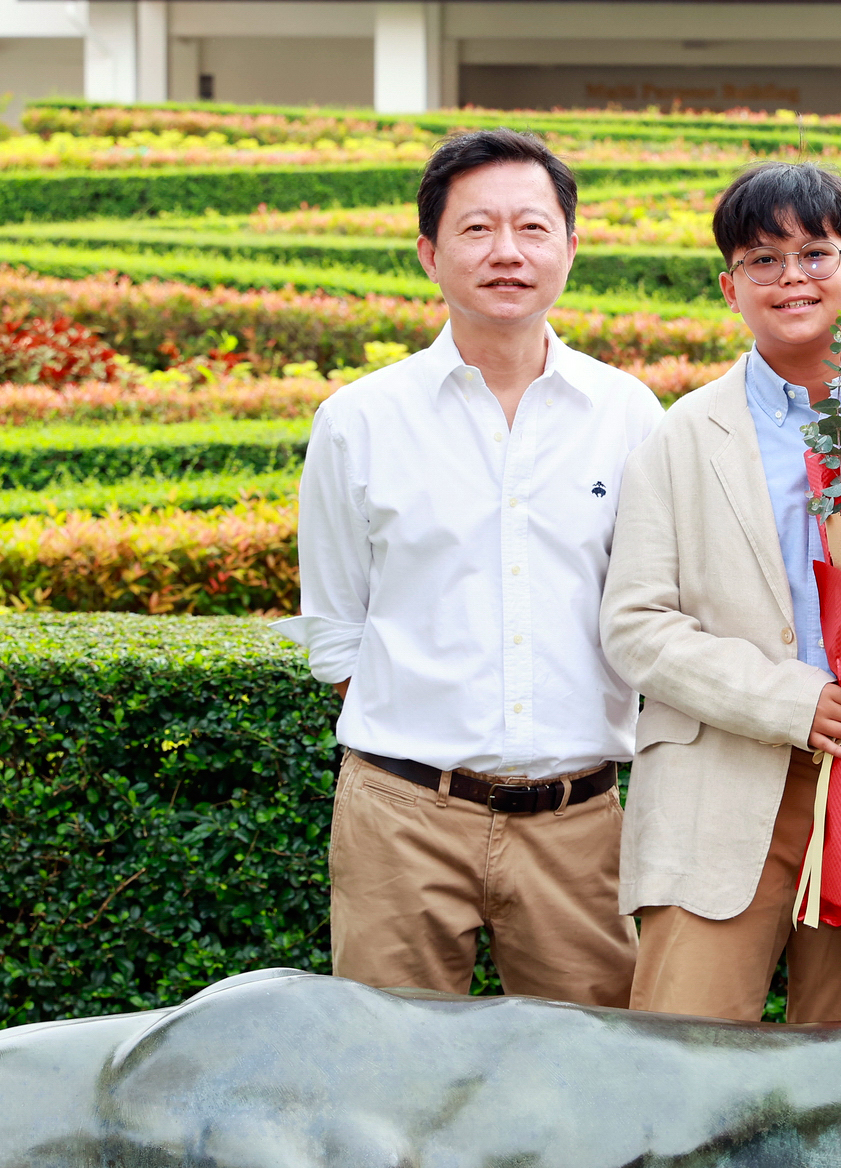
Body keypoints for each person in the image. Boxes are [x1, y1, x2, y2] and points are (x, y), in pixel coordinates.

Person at [274, 128, 663, 1006]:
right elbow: (336, 627)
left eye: (532, 228)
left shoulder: (627, 413)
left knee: (587, 1088)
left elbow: (655, 603)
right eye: (476, 230)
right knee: (395, 1083)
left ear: (570, 245)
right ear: (430, 253)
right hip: (402, 817)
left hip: (580, 822)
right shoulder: (360, 418)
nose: (507, 253)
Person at [600, 161, 841, 1024]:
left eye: (816, 252)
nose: (792, 277)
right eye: (763, 260)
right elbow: (636, 628)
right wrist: (791, 700)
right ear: (729, 286)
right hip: (720, 787)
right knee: (681, 1072)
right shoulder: (681, 435)